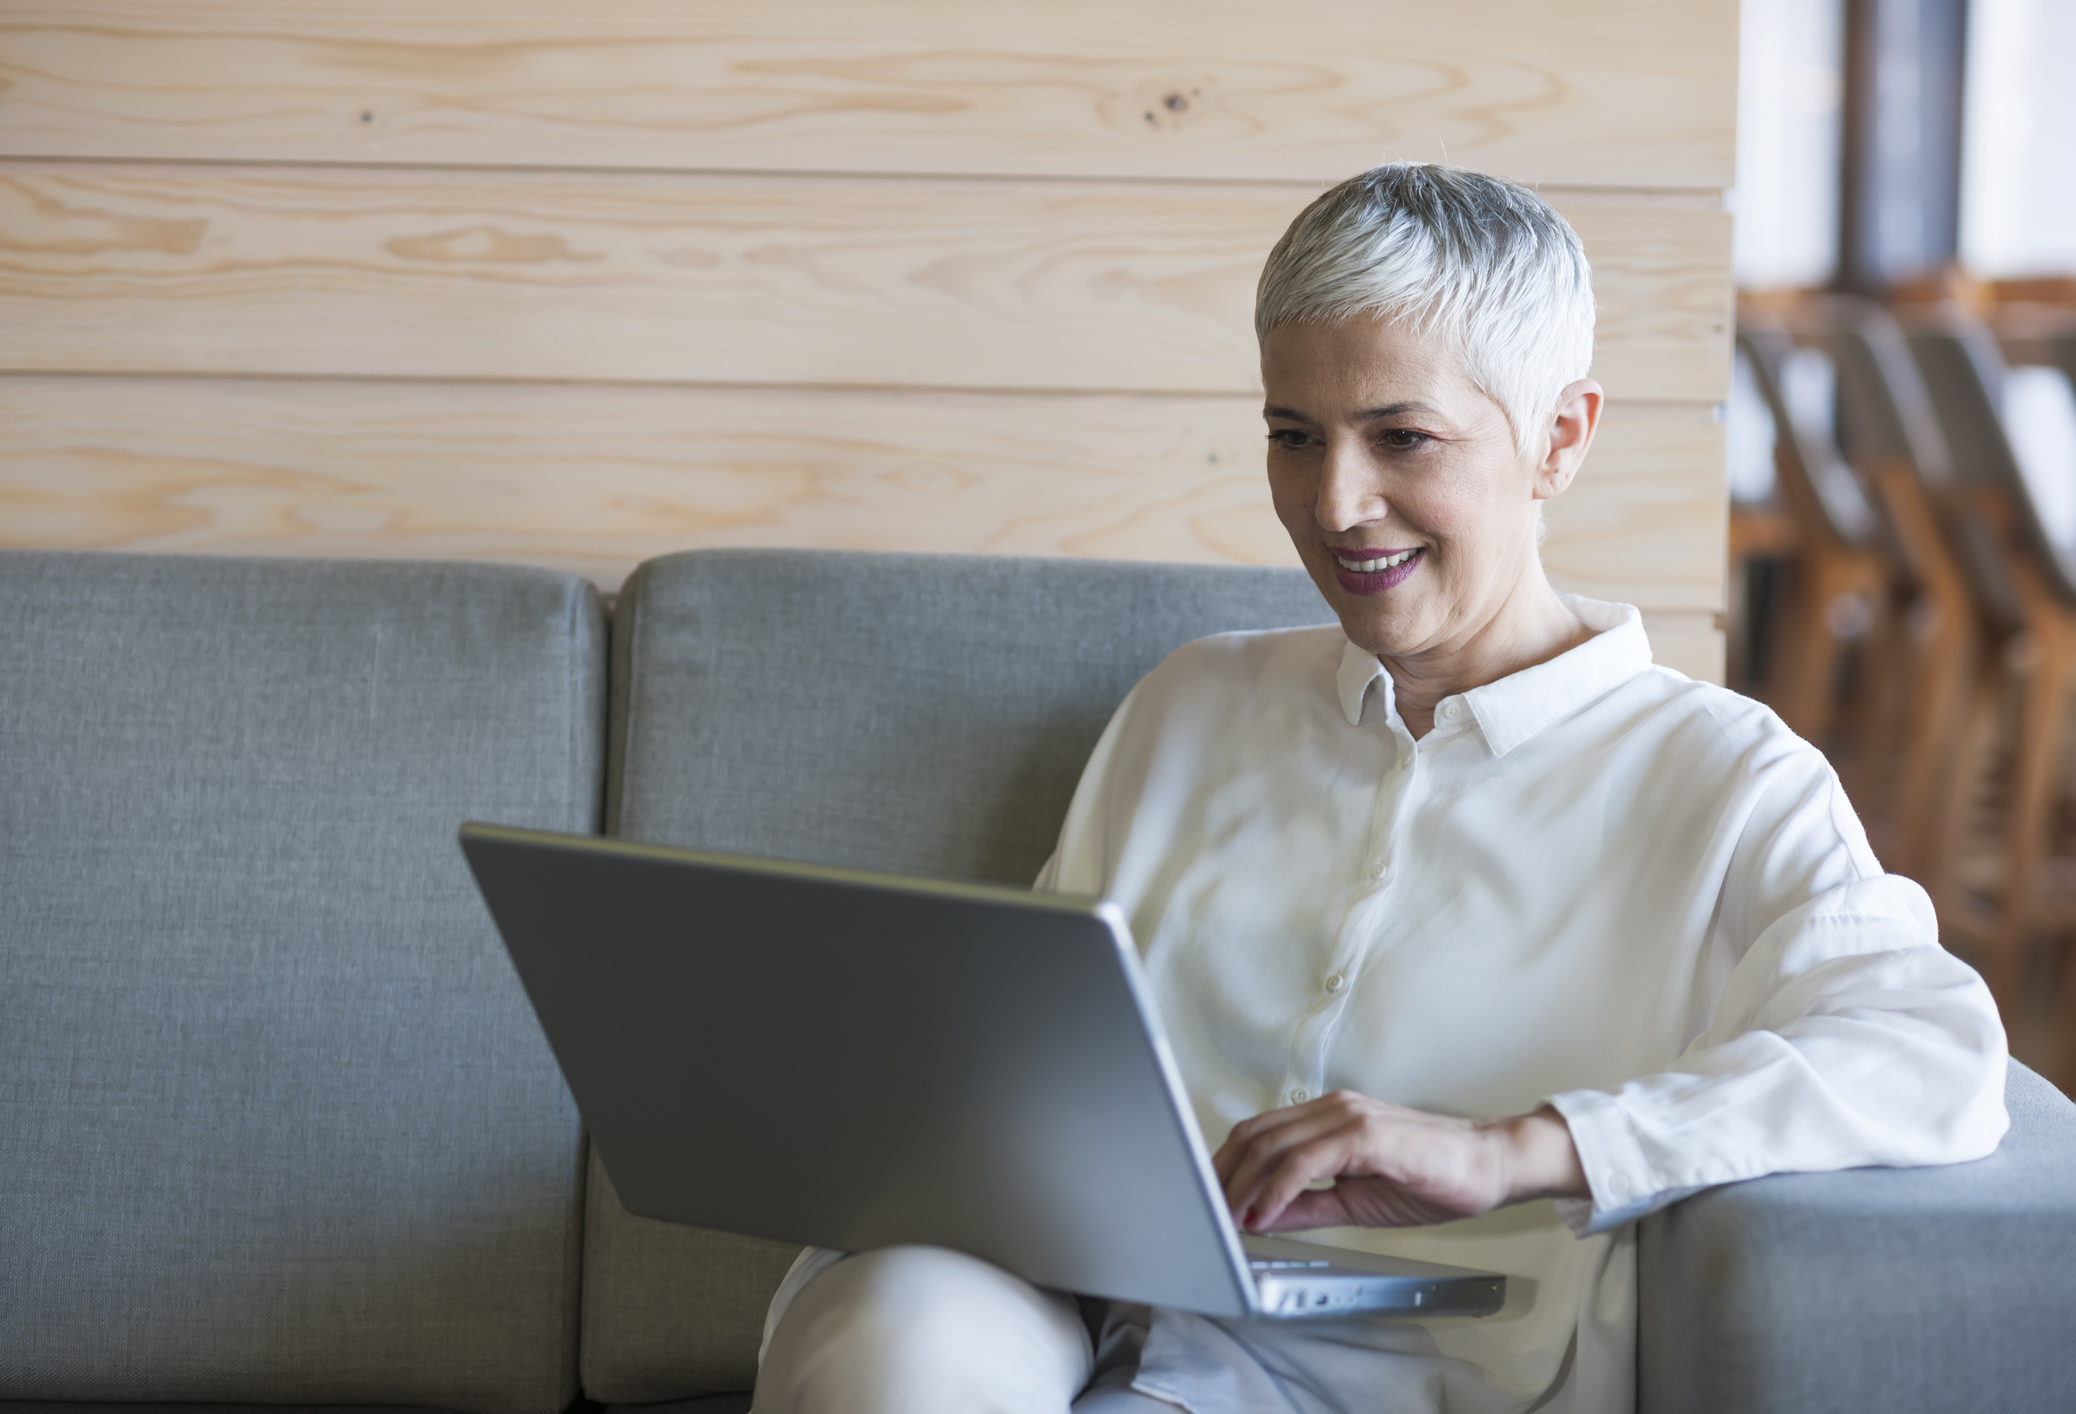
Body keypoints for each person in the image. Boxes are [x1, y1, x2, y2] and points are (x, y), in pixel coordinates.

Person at [750, 163, 2009, 1414]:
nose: (1334, 504)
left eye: (1402, 437)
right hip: (1080, 1312)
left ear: (1559, 439)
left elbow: (1932, 1051)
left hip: (1425, 1371)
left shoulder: (1727, 780)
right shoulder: (1188, 706)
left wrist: (1508, 1151)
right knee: (892, 1322)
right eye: (1293, 436)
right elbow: (1033, 1062)